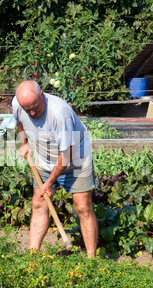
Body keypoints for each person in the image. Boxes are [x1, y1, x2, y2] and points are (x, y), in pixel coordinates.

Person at [12, 80, 98, 257]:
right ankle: (33, 256)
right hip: (44, 155)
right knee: (39, 202)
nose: (33, 113)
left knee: (82, 205)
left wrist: (49, 182)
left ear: (42, 94)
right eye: (28, 109)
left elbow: (65, 156)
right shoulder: (18, 104)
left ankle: (92, 260)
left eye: (35, 106)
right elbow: (19, 122)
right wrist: (24, 143)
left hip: (75, 157)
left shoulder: (60, 113)